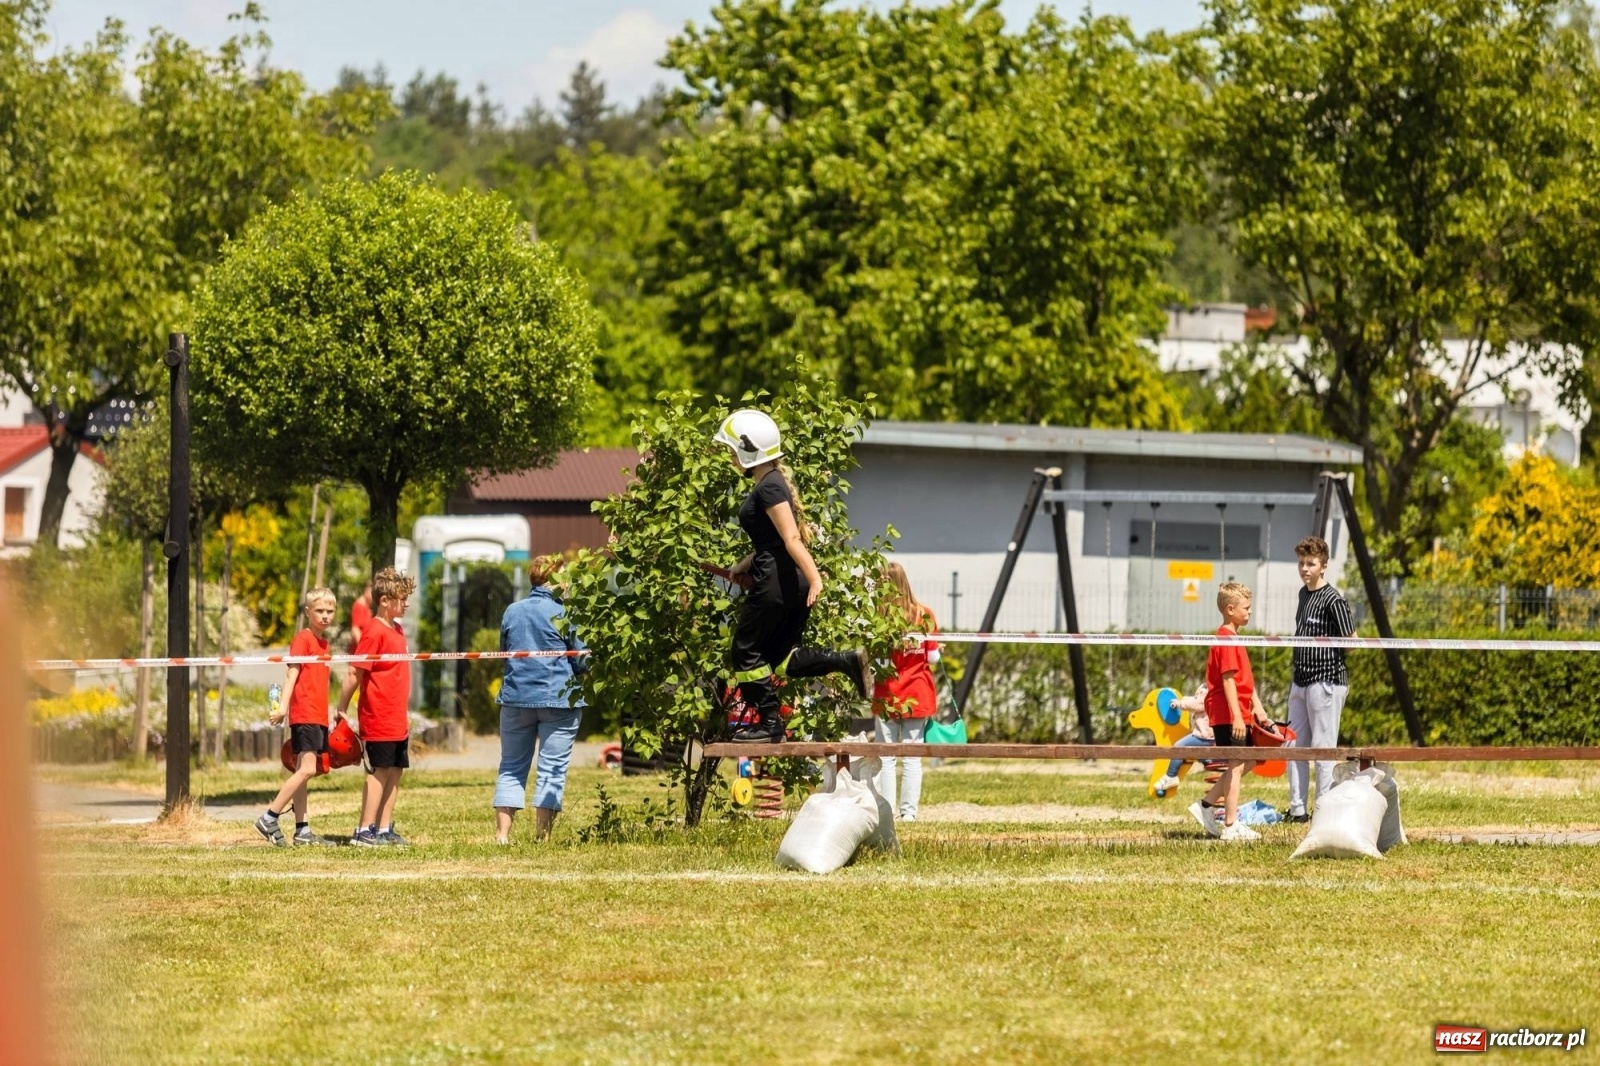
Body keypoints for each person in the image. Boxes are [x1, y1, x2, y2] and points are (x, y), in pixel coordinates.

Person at [715, 409, 871, 743]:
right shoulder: (772, 483)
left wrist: (816, 579)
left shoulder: (768, 487)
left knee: (744, 651)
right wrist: (745, 563)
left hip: (778, 580)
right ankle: (844, 660)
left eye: (732, 450)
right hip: (784, 578)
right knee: (779, 657)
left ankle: (770, 724)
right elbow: (772, 541)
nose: (730, 457)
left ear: (748, 448)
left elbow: (791, 539)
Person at [493, 554, 587, 844]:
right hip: (558, 700)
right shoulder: (565, 613)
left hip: (516, 697)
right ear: (556, 580)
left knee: (511, 765)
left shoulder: (512, 611)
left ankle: (502, 836)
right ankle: (541, 837)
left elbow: (504, 650)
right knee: (552, 768)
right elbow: (582, 660)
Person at [336, 567, 415, 846]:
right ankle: (364, 830)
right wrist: (342, 707)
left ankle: (383, 828)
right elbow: (353, 673)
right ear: (384, 601)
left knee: (395, 770)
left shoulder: (397, 628)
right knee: (378, 771)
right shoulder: (372, 630)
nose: (405, 604)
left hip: (397, 718)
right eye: (401, 599)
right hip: (377, 715)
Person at [1189, 582, 1274, 841]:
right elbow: (1227, 680)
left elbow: (1243, 681)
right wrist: (1237, 715)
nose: (1249, 612)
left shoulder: (1236, 636)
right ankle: (1230, 824)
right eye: (1245, 608)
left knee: (1249, 760)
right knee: (1236, 765)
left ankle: (1204, 805)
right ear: (1229, 609)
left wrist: (1258, 710)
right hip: (1227, 713)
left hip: (1239, 711)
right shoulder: (1224, 638)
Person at [256, 588, 339, 846]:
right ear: (307, 612)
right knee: (305, 769)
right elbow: (292, 674)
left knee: (306, 770)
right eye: (319, 611)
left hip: (318, 715)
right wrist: (282, 706)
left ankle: (302, 829)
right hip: (305, 714)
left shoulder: (325, 644)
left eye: (330, 611)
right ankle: (269, 817)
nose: (325, 616)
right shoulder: (302, 639)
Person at [1285, 535, 1356, 823]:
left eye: (1310, 563)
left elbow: (1352, 641)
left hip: (1326, 680)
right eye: (1301, 563)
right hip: (1300, 680)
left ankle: (1323, 810)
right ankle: (1297, 809)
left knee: (1323, 749)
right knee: (1294, 746)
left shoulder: (1334, 599)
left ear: (1323, 566)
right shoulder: (1304, 594)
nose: (1305, 568)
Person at [872, 563, 939, 821]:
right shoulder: (925, 615)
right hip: (917, 694)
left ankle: (887, 814)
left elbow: (879, 663)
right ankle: (909, 814)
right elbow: (931, 658)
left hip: (887, 694)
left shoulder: (880, 620)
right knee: (912, 757)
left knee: (886, 758)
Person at [1151, 684, 1212, 796]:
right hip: (1208, 732)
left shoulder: (1210, 688)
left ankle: (1171, 776)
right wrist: (1182, 699)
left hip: (1205, 733)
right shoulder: (1206, 685)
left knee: (1179, 747)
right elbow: (1195, 699)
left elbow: (1199, 704)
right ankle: (1208, 759)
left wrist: (1180, 703)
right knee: (1197, 752)